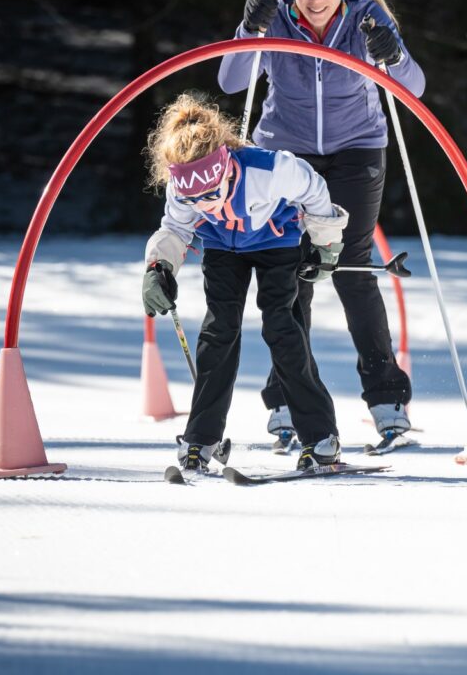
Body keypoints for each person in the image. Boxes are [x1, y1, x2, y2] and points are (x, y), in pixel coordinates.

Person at [217, 0, 422, 453]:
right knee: (292, 267)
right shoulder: (275, 13)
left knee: (352, 265)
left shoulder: (366, 16)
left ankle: (386, 401)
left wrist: (392, 53)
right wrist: (248, 29)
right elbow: (230, 82)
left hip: (356, 149)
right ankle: (286, 399)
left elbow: (415, 90)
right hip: (284, 152)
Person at [141, 93, 349, 474]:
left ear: (225, 168)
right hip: (222, 247)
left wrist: (325, 243)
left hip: (278, 241)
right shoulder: (183, 186)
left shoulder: (271, 170)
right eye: (194, 199)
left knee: (282, 328)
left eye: (211, 193)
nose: (205, 204)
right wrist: (159, 267)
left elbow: (315, 191)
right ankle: (201, 439)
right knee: (218, 330)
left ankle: (321, 438)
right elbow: (175, 227)